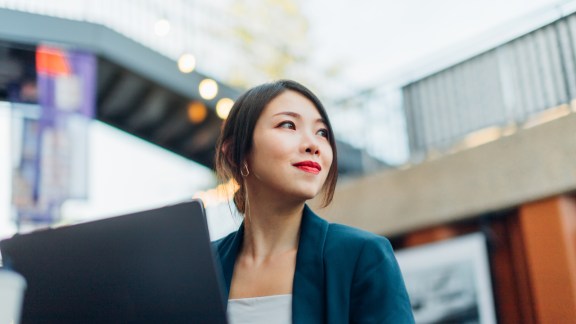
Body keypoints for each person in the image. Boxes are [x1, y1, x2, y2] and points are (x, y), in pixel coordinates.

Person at [213, 80, 414, 323]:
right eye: (288, 125)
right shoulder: (202, 267)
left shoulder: (362, 255)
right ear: (235, 152)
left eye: (322, 133)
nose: (313, 145)